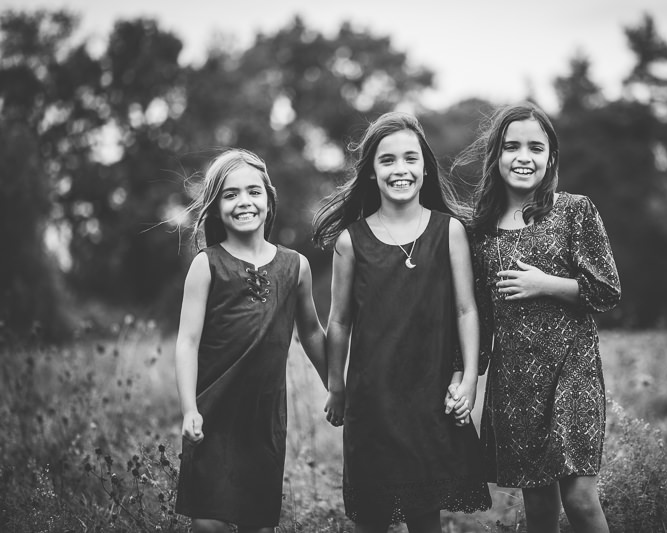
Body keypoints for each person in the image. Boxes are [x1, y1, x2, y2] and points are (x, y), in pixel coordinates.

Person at [312, 112, 491, 533]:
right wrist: (336, 386)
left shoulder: (449, 232)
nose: (400, 169)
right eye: (387, 160)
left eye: (410, 159)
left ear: (425, 167)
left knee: (424, 515)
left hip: (428, 399)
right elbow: (338, 322)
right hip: (371, 404)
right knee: (371, 517)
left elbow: (467, 310)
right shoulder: (350, 242)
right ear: (372, 172)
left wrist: (467, 379)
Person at [455, 102, 621, 533]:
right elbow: (478, 314)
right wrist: (466, 376)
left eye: (535, 147)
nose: (523, 157)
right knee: (540, 509)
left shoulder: (573, 211)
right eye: (511, 147)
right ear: (497, 157)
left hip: (573, 370)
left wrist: (546, 283)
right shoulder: (481, 232)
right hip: (516, 385)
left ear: (551, 158)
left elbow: (607, 290)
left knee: (580, 499)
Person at [173, 148, 327, 533]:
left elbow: (310, 331)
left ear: (269, 201)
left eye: (253, 192)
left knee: (258, 522)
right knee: (209, 522)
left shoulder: (295, 266)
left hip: (264, 419)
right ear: (214, 207)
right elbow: (187, 342)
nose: (244, 201)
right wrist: (189, 408)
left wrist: (336, 386)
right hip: (213, 414)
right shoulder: (206, 265)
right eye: (230, 194)